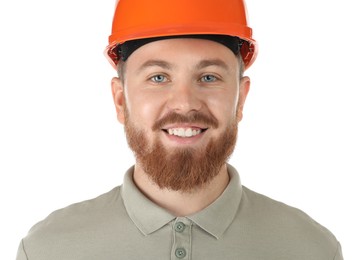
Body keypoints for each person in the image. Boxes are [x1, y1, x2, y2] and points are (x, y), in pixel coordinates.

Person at [16, 0, 343, 259]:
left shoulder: (311, 250)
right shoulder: (48, 250)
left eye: (209, 77)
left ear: (241, 98)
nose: (185, 104)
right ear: (120, 100)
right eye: (158, 77)